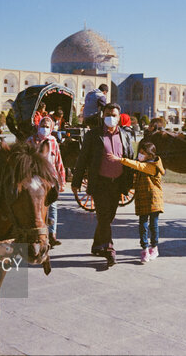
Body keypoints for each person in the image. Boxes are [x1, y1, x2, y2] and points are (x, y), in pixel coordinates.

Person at [72, 103, 134, 267]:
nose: (111, 117)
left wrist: (131, 182)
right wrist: (76, 181)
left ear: (119, 117)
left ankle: (97, 245)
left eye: (114, 115)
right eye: (108, 114)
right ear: (102, 115)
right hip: (100, 183)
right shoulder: (93, 135)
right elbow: (82, 159)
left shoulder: (125, 135)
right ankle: (109, 250)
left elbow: (130, 158)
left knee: (109, 216)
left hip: (117, 183)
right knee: (104, 217)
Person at [108, 141, 165, 263]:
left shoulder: (152, 166)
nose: (140, 155)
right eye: (140, 152)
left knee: (153, 225)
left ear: (150, 155)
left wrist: (120, 159)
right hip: (142, 198)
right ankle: (145, 249)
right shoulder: (143, 164)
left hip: (154, 199)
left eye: (143, 153)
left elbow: (138, 166)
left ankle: (154, 247)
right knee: (143, 225)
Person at [27, 117, 66, 247]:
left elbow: (58, 162)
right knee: (36, 208)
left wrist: (62, 180)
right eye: (43, 125)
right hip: (35, 180)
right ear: (38, 126)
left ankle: (52, 234)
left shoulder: (53, 141)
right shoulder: (31, 141)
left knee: (53, 207)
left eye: (48, 126)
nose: (45, 128)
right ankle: (35, 234)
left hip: (50, 179)